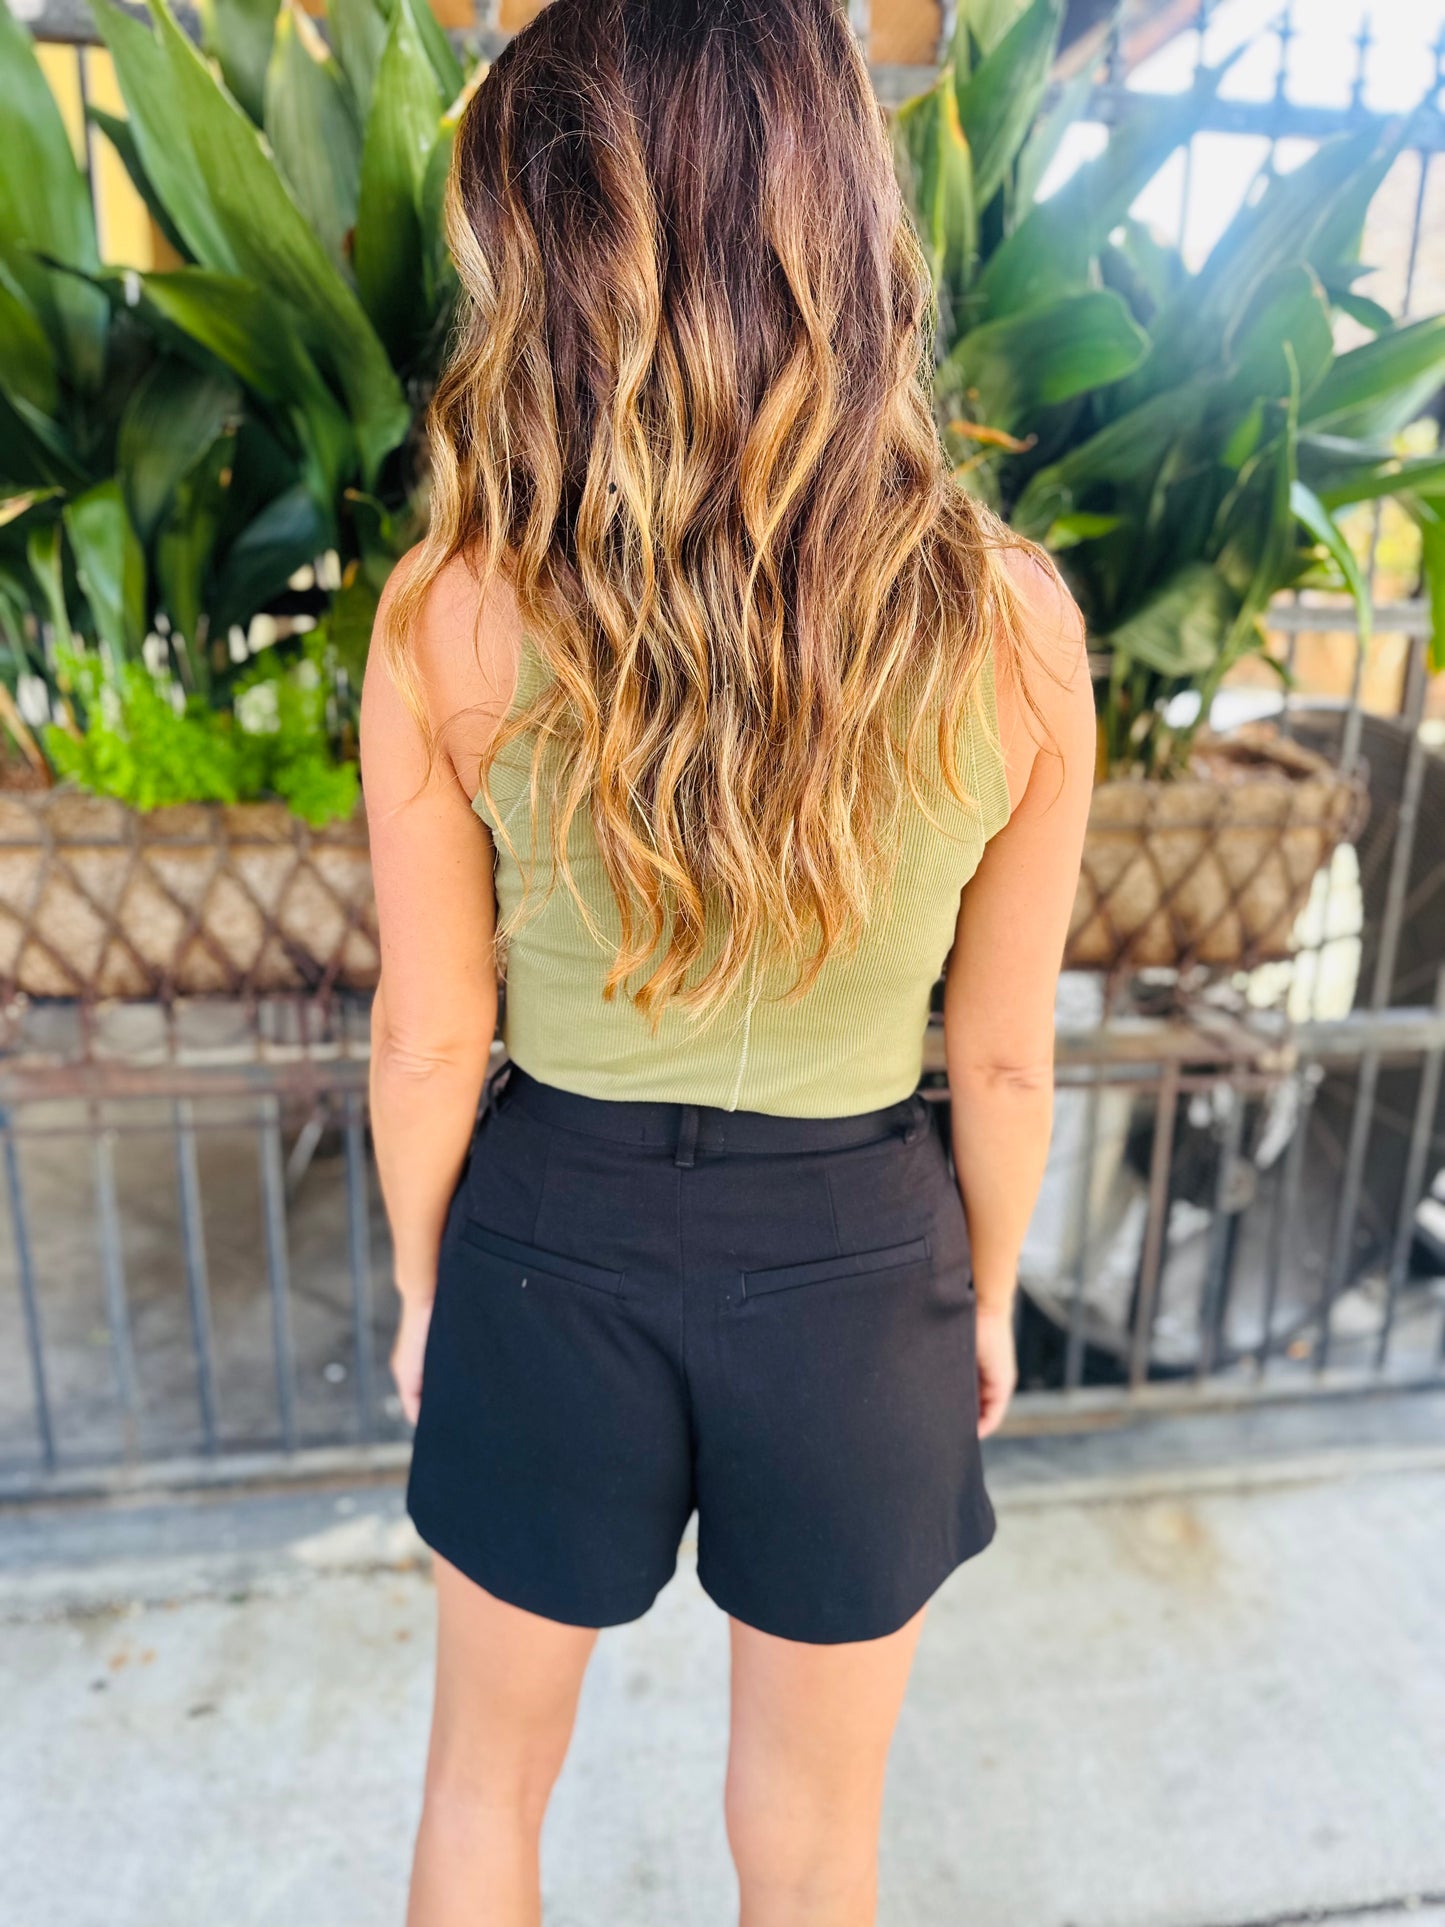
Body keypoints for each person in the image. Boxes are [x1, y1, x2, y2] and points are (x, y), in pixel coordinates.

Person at [359, 1, 1093, 1920]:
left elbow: (428, 1037)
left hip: (550, 1234)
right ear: (848, 226)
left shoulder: (448, 612)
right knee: (812, 1837)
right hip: (861, 1257)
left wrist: (433, 1293)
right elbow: (1002, 1060)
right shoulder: (1013, 626)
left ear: (545, 253)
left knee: (481, 1793)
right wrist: (982, 1295)